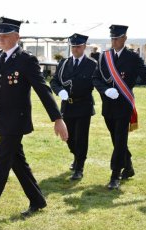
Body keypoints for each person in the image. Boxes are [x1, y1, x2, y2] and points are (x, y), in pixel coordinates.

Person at [0, 17, 68, 224]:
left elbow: (43, 89)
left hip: (16, 121)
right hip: (1, 119)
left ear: (16, 37)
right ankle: (38, 200)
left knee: (0, 165)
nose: (0, 39)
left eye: (4, 35)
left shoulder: (26, 60)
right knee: (17, 162)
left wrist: (57, 118)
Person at [92, 25, 146, 189]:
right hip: (108, 106)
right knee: (116, 140)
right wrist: (105, 90)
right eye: (112, 38)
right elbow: (96, 78)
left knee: (120, 139)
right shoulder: (104, 57)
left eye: (117, 38)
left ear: (124, 38)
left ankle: (115, 175)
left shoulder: (133, 58)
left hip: (124, 106)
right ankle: (128, 167)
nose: (114, 41)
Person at [50, 33, 97, 180]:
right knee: (68, 137)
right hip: (67, 106)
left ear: (84, 47)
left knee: (81, 137)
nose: (75, 49)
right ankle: (76, 157)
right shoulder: (64, 63)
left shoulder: (92, 64)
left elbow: (96, 83)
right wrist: (60, 91)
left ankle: (79, 167)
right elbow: (54, 81)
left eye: (78, 46)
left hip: (83, 105)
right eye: (73, 46)